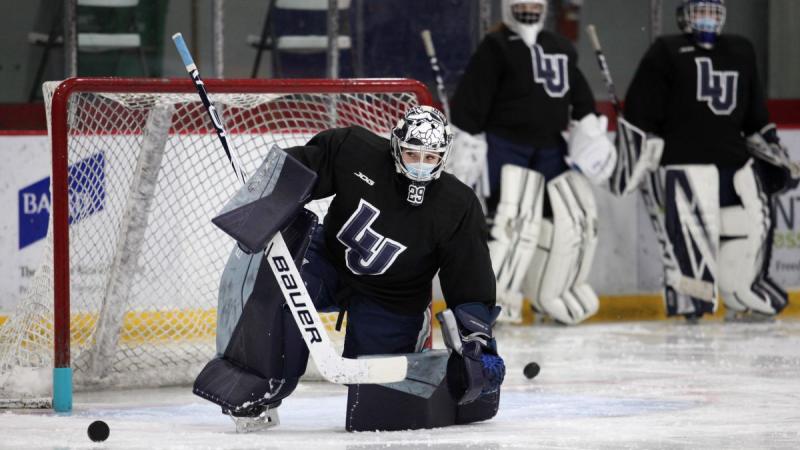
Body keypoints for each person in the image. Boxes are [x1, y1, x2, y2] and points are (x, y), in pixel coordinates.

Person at [193, 105, 504, 431]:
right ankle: (259, 388)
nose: (420, 166)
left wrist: (478, 340)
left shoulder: (458, 204)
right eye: (412, 154)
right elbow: (304, 166)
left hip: (393, 297)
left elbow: (469, 277)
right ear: (397, 144)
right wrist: (268, 193)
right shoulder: (356, 149)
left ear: (443, 156)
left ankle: (413, 333)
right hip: (329, 260)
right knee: (277, 289)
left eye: (430, 158)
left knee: (379, 399)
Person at [623, 0, 797, 321]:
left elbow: (755, 114)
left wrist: (774, 147)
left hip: (734, 162)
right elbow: (642, 107)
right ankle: (692, 303)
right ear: (684, 15)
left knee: (747, 231)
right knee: (692, 239)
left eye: (712, 11)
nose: (706, 18)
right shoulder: (667, 51)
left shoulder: (741, 50)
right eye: (699, 10)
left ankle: (741, 292)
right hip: (686, 161)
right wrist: (646, 139)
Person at [447, 0, 616, 325]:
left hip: (552, 146)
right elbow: (472, 100)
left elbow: (579, 96)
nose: (528, 9)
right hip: (506, 145)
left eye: (534, 3)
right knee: (513, 224)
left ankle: (552, 292)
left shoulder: (560, 47)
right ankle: (494, 300)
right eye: (520, 3)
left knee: (572, 222)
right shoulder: (495, 46)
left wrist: (590, 126)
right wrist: (467, 139)